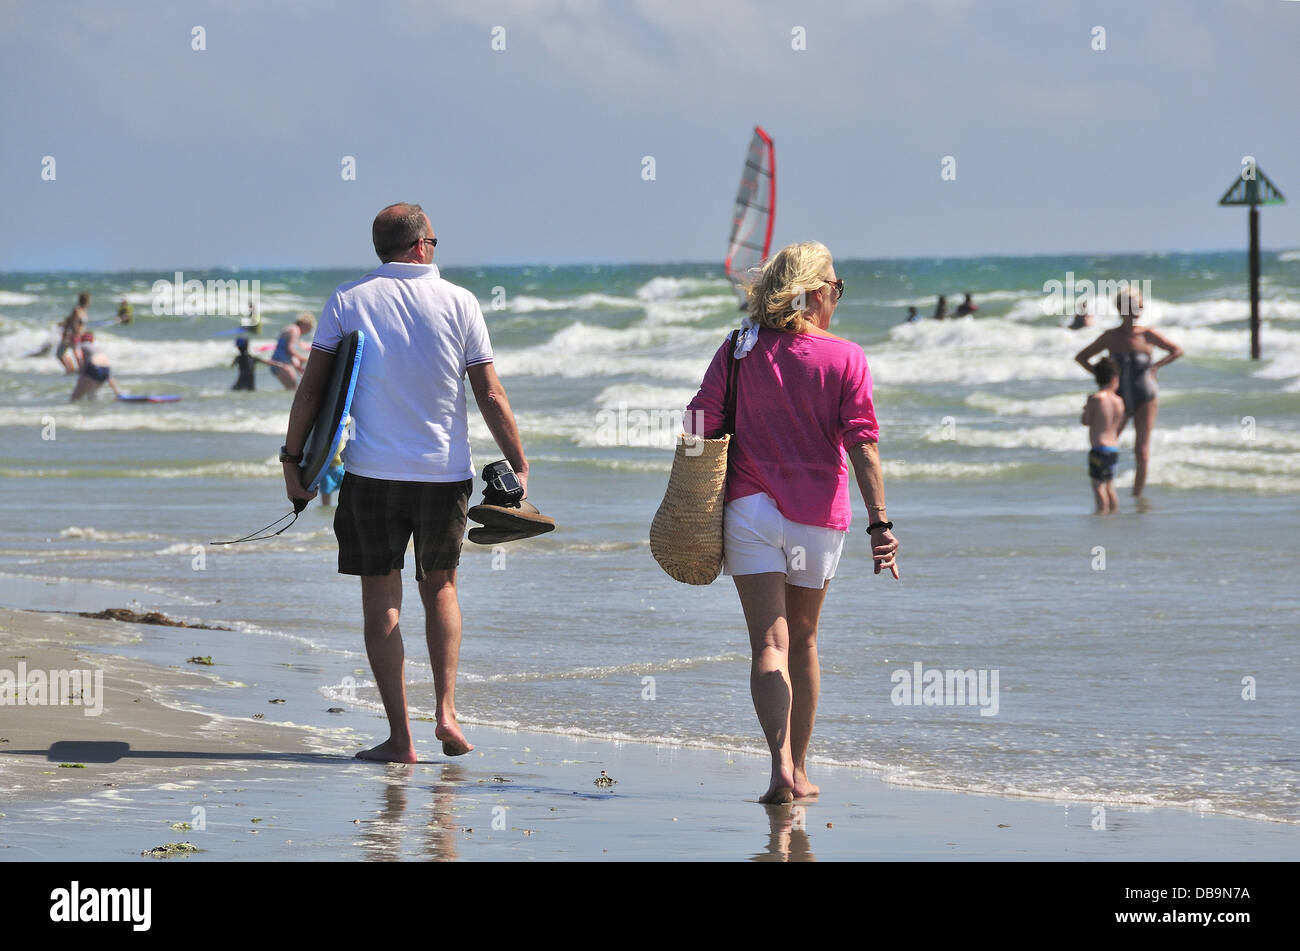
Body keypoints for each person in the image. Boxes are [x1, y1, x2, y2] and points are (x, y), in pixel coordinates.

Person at [281, 202, 529, 764]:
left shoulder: (348, 300)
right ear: (420, 246)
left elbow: (313, 392)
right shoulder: (461, 303)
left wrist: (292, 461)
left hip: (370, 474)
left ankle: (401, 738)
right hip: (444, 474)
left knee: (381, 597)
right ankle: (446, 711)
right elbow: (490, 394)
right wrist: (519, 461)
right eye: (435, 242)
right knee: (440, 587)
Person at [684, 241, 899, 804]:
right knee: (802, 640)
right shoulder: (846, 357)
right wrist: (881, 524)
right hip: (816, 518)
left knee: (768, 644)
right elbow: (863, 443)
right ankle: (798, 770)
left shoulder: (738, 346)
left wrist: (703, 466)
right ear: (814, 290)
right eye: (835, 286)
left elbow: (698, 418)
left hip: (750, 510)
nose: (837, 295)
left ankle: (778, 764)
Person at [1074, 287, 1182, 498]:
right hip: (1119, 400)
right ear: (1120, 309)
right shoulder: (1110, 337)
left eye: (1138, 307)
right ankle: (1106, 492)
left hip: (1146, 397)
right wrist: (1102, 378)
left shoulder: (1147, 334)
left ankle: (1137, 498)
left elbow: (1176, 350)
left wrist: (1156, 367)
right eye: (1130, 307)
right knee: (1107, 443)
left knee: (1141, 452)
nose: (1135, 311)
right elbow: (1082, 357)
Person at [1081, 358, 1124, 513]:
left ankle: (1102, 514)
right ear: (1114, 379)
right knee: (1109, 485)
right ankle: (1114, 513)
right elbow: (1117, 424)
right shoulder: (1119, 401)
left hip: (1099, 447)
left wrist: (1086, 408)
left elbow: (1086, 421)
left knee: (1097, 485)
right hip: (1113, 448)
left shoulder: (1096, 399)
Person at [69, 332, 122, 401]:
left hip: (93, 368)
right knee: (92, 395)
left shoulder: (81, 345)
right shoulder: (96, 347)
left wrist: (81, 370)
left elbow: (78, 357)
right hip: (106, 369)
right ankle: (119, 394)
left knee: (74, 399)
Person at [269, 313, 315, 390]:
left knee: (291, 390)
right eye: (309, 328)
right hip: (282, 364)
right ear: (305, 324)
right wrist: (305, 358)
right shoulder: (295, 330)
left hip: (276, 363)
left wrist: (298, 365)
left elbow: (288, 352)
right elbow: (290, 349)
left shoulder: (291, 328)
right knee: (292, 390)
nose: (308, 331)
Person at [56, 293, 90, 373]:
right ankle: (72, 369)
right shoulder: (78, 311)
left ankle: (73, 369)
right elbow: (74, 324)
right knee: (73, 353)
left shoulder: (82, 311)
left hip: (76, 335)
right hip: (73, 335)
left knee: (68, 353)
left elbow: (75, 323)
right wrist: (77, 334)